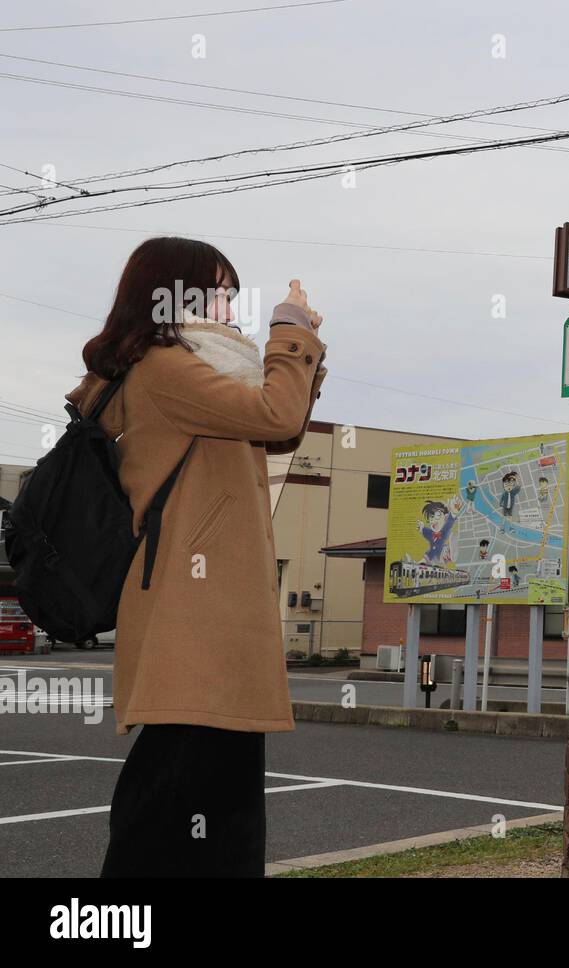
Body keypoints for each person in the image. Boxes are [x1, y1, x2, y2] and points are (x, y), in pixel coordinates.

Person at [66, 236, 327, 877]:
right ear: (168, 293)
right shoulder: (166, 369)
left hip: (210, 623)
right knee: (168, 817)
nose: (230, 304)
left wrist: (301, 357)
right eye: (217, 289)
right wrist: (290, 332)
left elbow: (282, 425)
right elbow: (275, 410)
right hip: (196, 626)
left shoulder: (197, 370)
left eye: (232, 292)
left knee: (216, 821)